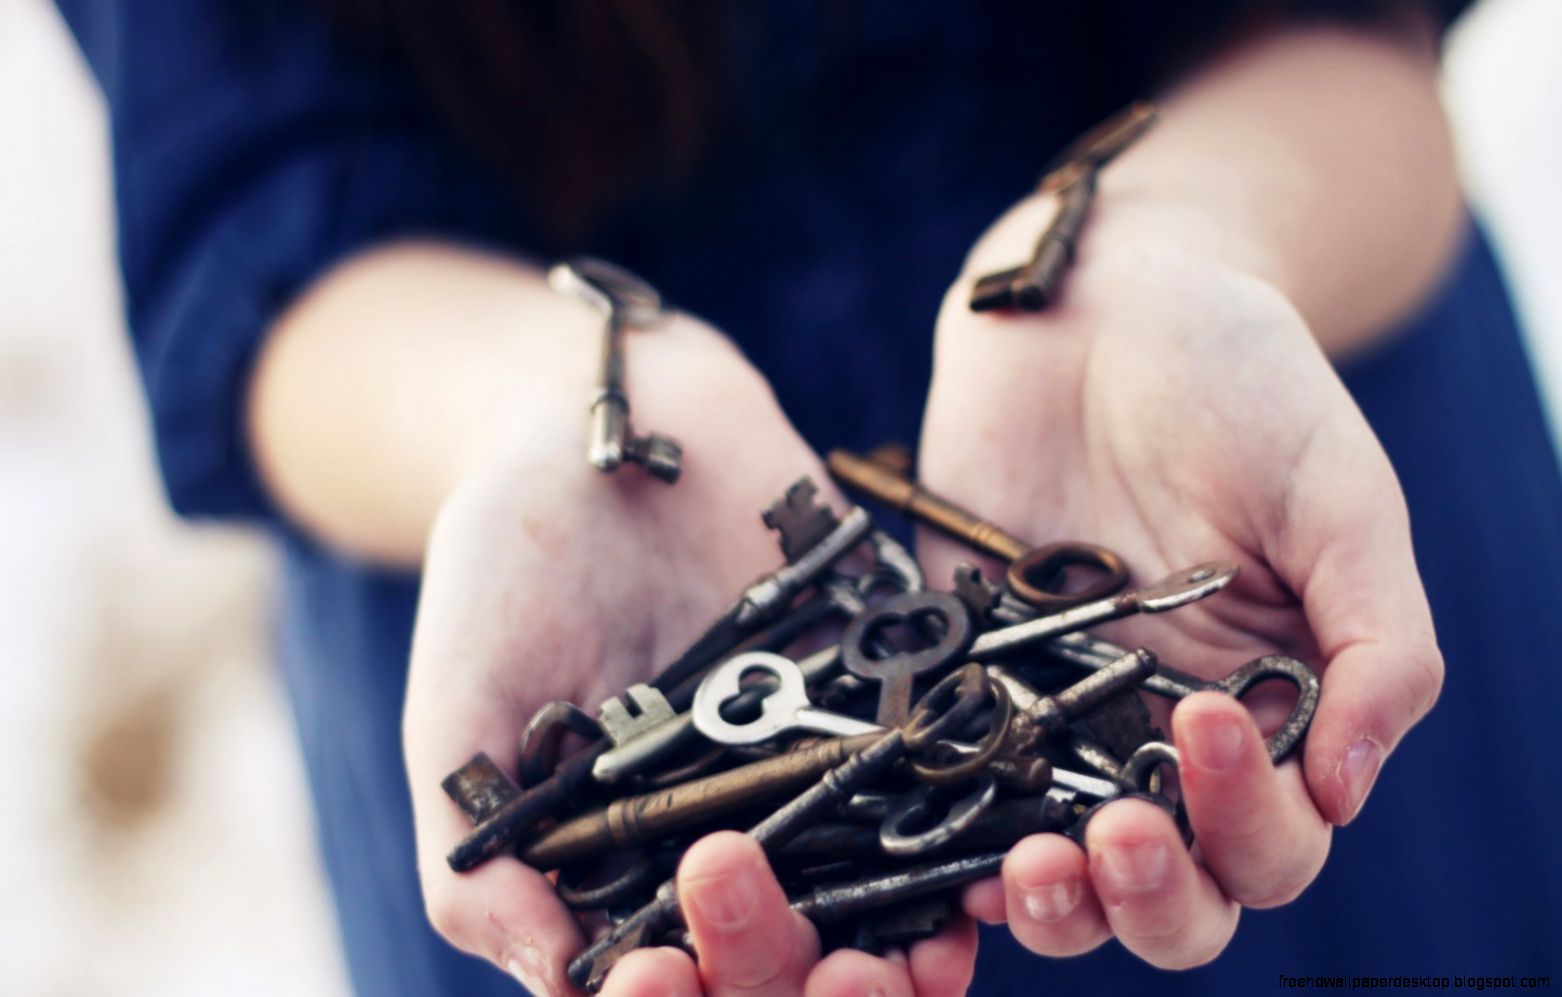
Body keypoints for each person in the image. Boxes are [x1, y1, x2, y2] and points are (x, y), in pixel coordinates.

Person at [56, 1, 1562, 994]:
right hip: (565, 583)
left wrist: (1179, 236)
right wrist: (539, 407)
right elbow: (251, 232)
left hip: (1206, 472)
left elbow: (1357, 37)